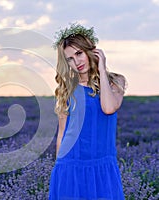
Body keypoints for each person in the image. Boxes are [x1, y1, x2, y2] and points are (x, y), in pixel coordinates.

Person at [49, 23, 126, 200]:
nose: (76, 62)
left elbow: (108, 108)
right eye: (69, 58)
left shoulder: (116, 82)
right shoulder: (67, 89)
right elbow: (62, 133)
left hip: (102, 166)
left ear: (90, 51)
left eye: (79, 54)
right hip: (70, 165)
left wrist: (101, 70)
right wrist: (58, 167)